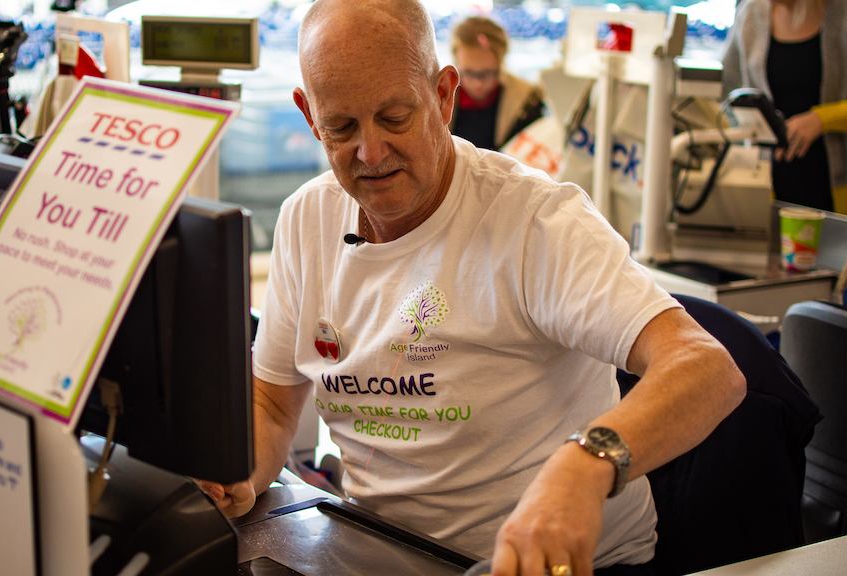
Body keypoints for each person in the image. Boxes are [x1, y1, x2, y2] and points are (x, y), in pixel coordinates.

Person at [201, 1, 745, 575]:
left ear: (443, 95)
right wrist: (235, 470)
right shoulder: (305, 220)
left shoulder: (535, 223)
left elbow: (708, 369)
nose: (370, 152)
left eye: (394, 117)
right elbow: (271, 404)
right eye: (341, 127)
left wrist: (585, 463)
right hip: (378, 549)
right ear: (308, 116)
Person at [722, 0, 847, 213]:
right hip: (767, 182)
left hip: (831, 183)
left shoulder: (841, 15)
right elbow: (726, 93)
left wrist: (821, 120)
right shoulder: (751, 13)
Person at [448, 15, 545, 151]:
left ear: (501, 64)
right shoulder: (437, 96)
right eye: (468, 73)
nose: (478, 84)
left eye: (487, 73)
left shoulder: (527, 100)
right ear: (455, 63)